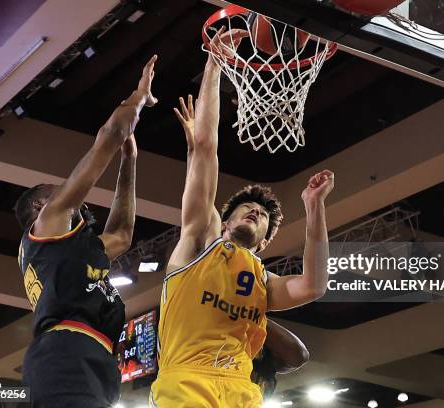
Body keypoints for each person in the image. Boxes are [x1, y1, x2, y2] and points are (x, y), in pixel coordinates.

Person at [150, 28, 334, 407]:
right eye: (247, 209)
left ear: (265, 242)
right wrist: (216, 62)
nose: (255, 211)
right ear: (224, 218)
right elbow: (205, 146)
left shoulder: (262, 281)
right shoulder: (200, 239)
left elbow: (314, 286)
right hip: (187, 380)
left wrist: (315, 207)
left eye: (264, 215)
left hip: (240, 388)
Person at [14, 55, 159, 408]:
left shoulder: (67, 250)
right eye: (55, 190)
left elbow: (122, 234)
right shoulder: (48, 224)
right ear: (39, 207)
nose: (66, 193)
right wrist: (139, 97)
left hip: (91, 353)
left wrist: (130, 161)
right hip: (66, 350)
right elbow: (109, 134)